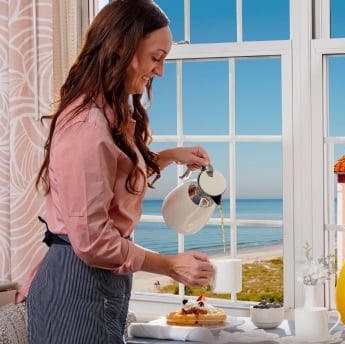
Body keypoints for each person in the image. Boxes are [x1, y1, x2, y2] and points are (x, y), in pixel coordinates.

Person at [16, 1, 215, 343]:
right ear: (122, 47)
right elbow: (93, 242)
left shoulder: (109, 113)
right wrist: (170, 265)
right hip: (76, 281)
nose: (161, 71)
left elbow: (112, 173)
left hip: (101, 281)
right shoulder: (87, 126)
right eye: (156, 57)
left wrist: (169, 156)